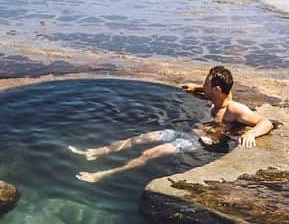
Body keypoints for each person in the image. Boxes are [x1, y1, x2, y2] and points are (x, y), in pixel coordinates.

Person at [74, 65, 274, 183]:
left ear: (217, 89)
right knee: (141, 138)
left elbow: (266, 122)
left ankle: (103, 174)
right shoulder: (218, 97)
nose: (203, 86)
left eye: (206, 83)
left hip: (199, 141)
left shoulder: (234, 109)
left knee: (149, 153)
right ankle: (95, 152)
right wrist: (196, 88)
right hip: (187, 131)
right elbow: (209, 92)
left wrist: (252, 134)